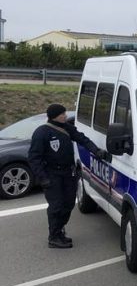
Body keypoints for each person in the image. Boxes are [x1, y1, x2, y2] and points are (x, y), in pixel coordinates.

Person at [27, 104, 111, 248]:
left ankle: (59, 229)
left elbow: (82, 139)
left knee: (69, 204)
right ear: (54, 115)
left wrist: (96, 151)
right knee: (56, 206)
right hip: (52, 175)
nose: (65, 116)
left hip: (68, 173)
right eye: (62, 114)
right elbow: (34, 158)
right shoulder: (42, 133)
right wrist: (43, 178)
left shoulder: (67, 128)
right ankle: (54, 237)